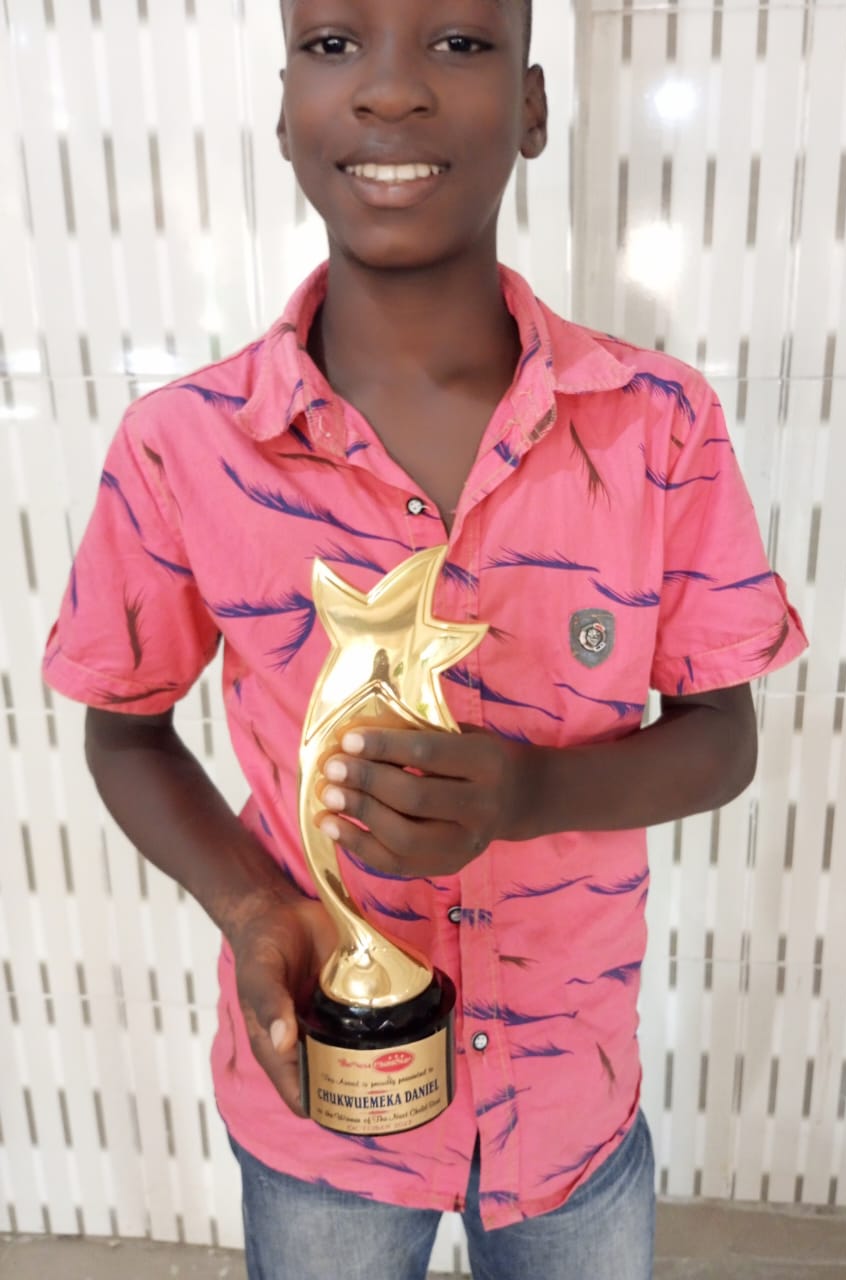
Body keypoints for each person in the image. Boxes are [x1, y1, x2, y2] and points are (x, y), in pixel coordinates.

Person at [42, 1, 807, 1276]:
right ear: (283, 107)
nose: (390, 92)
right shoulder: (184, 446)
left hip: (570, 1104)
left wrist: (530, 792)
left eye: (457, 43)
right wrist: (253, 908)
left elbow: (723, 738)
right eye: (334, 44)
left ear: (533, 106)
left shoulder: (657, 424)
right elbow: (123, 731)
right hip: (323, 1115)